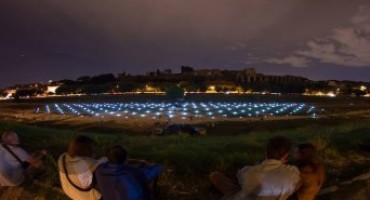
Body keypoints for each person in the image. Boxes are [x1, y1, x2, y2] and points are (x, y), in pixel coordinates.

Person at [210, 136, 301, 200]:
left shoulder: (248, 171)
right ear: (285, 156)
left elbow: (239, 177)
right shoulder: (293, 172)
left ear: (266, 151)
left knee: (215, 175)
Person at [95, 145, 162, 200]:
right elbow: (156, 169)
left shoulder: (99, 170)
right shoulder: (130, 171)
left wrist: (132, 160)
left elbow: (111, 162)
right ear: (126, 158)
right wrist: (143, 162)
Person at [58, 135, 107, 200]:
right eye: (90, 148)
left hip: (70, 192)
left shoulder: (62, 157)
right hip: (87, 197)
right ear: (83, 149)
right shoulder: (86, 163)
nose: (93, 151)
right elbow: (105, 161)